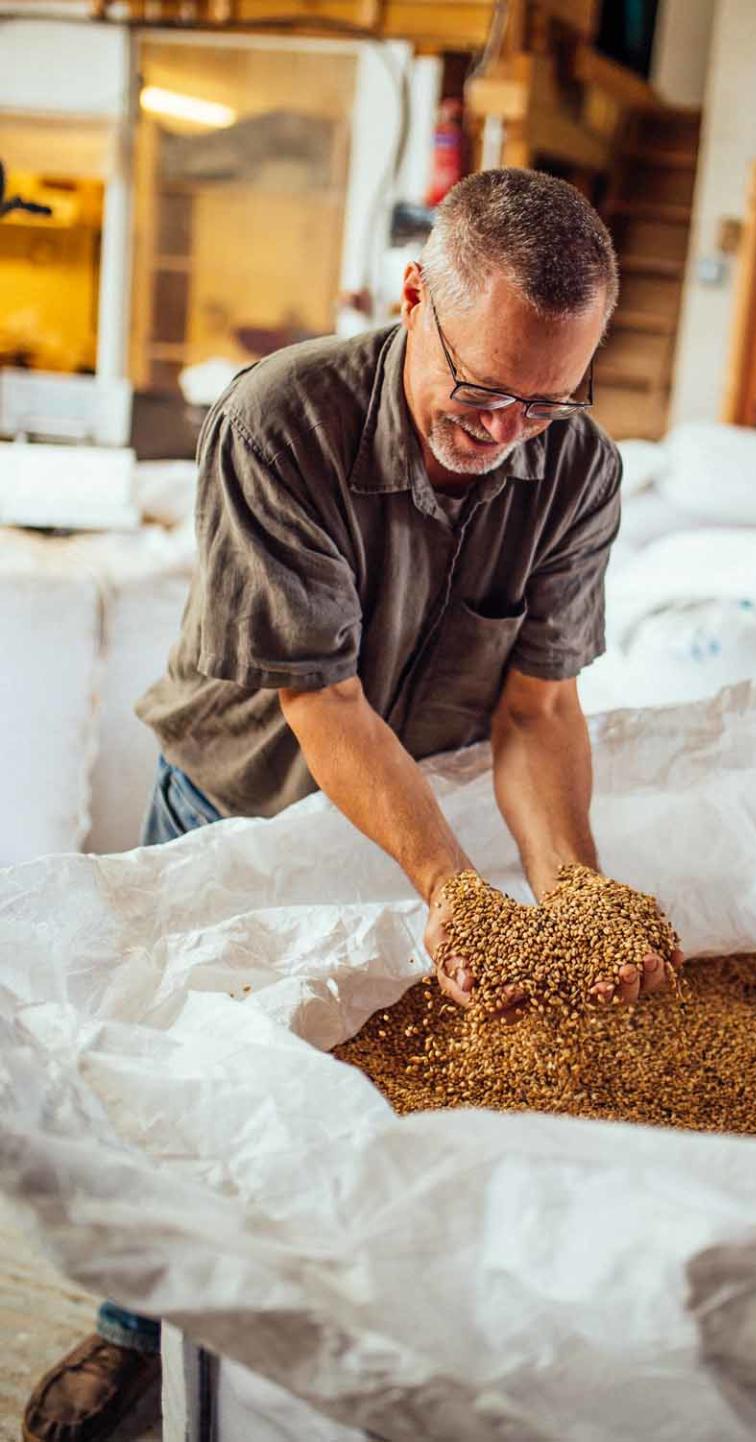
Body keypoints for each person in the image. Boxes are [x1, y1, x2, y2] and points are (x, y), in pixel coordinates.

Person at [23, 167, 682, 1442]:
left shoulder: (577, 470)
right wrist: (458, 891)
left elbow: (537, 711)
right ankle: (127, 1330)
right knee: (183, 1082)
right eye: (484, 389)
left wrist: (575, 892)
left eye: (549, 401)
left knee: (339, 1097)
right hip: (237, 808)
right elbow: (322, 704)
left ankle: (298, 1339)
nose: (508, 432)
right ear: (414, 293)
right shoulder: (282, 421)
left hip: (414, 813)